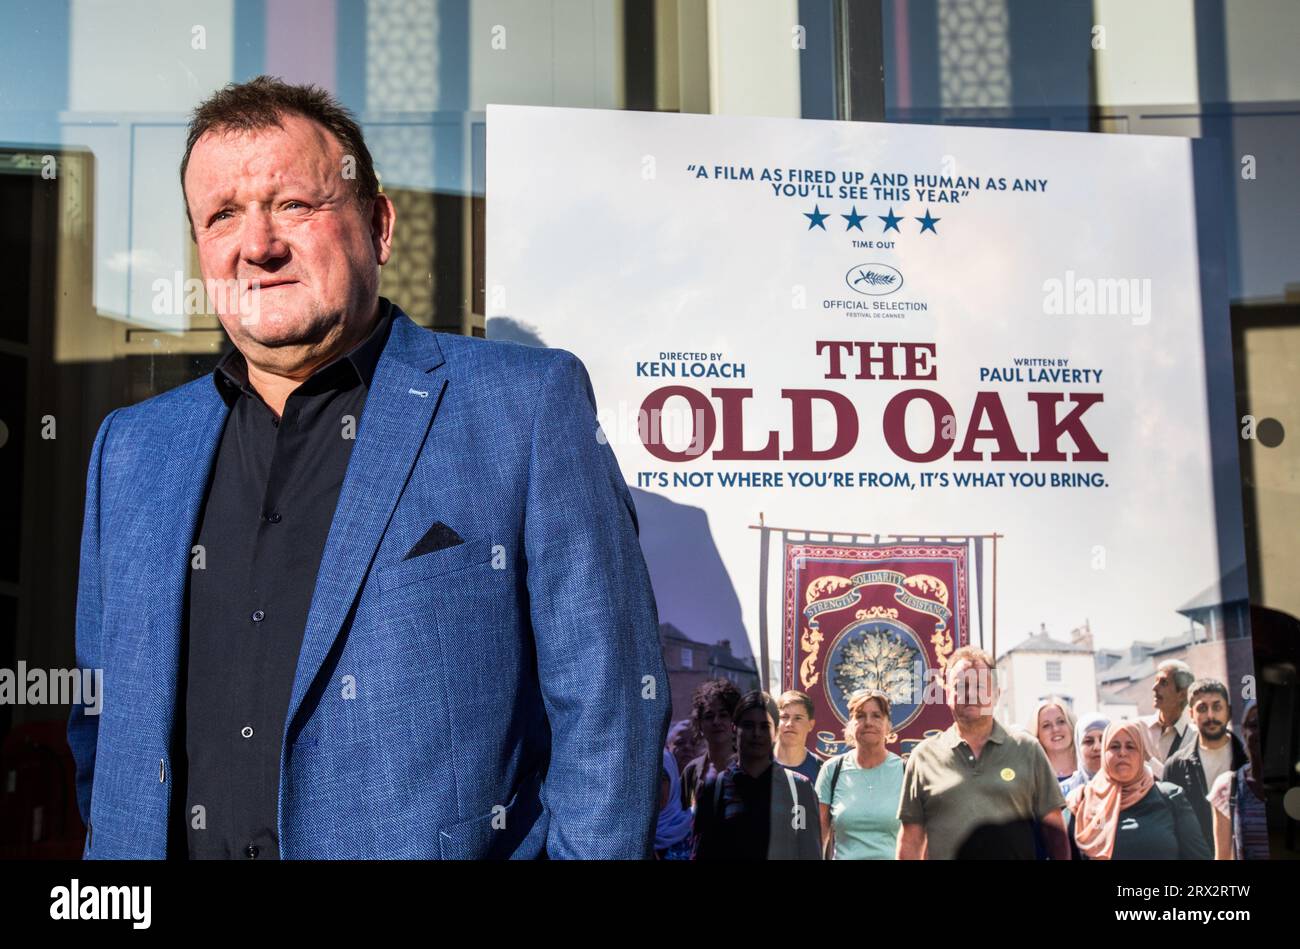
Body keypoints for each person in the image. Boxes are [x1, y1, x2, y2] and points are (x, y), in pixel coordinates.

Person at [66, 76, 670, 859]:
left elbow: (610, 711)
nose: (259, 244)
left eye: (292, 204)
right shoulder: (131, 449)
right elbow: (101, 726)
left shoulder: (526, 406)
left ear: (379, 225)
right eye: (222, 216)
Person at [898, 646, 1069, 859]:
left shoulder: (1028, 749)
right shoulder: (923, 757)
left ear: (996, 694)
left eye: (979, 685)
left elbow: (1055, 833)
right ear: (947, 694)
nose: (970, 694)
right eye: (961, 686)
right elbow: (911, 840)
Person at [692, 691, 821, 860]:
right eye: (748, 725)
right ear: (734, 729)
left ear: (775, 732)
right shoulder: (714, 790)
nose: (757, 734)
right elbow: (702, 854)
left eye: (764, 726)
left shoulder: (800, 789)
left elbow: (810, 853)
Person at [1065, 720, 1210, 860]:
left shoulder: (1170, 798)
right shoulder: (1082, 802)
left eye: (1130, 746)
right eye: (1114, 746)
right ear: (1104, 753)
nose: (1122, 753)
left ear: (1141, 754)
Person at [816, 689, 904, 859]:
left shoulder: (906, 771)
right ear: (850, 724)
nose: (868, 722)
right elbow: (818, 839)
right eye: (861, 716)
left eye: (876, 716)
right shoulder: (832, 770)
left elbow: (919, 840)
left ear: (888, 725)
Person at [1163, 678, 1249, 853]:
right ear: (1191, 715)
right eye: (1202, 708)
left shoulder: (1248, 760)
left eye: (1217, 707)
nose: (1210, 716)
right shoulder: (1175, 766)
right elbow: (1169, 827)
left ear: (1229, 712)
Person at [1209, 699, 1268, 860]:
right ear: (1243, 730)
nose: (1260, 732)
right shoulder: (1227, 786)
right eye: (1254, 725)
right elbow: (1222, 856)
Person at [680, 678, 741, 810]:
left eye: (723, 715)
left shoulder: (749, 768)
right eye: (709, 716)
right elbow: (683, 816)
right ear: (699, 724)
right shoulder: (691, 772)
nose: (716, 721)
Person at [1145, 659, 1194, 765]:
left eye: (1163, 683)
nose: (1154, 688)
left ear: (1181, 694)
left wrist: (1148, 760)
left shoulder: (1195, 738)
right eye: (1156, 681)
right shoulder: (1138, 729)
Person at [654, 749, 695, 860]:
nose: (655, 786)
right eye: (649, 777)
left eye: (662, 778)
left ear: (673, 784)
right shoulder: (627, 831)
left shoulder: (692, 828)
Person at [1030, 696, 1078, 788]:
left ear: (1071, 725)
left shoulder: (1090, 768)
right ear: (1038, 734)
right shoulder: (1031, 778)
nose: (1055, 729)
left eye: (1061, 721)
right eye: (1046, 725)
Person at [775, 690, 821, 783]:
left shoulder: (820, 769)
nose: (790, 724)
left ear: (811, 724)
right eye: (784, 717)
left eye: (798, 718)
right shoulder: (758, 763)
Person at [1060, 713, 1109, 798]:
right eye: (1088, 741)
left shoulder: (1128, 790)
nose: (1097, 747)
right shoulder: (1063, 793)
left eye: (1103, 739)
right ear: (1078, 747)